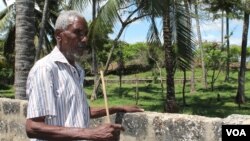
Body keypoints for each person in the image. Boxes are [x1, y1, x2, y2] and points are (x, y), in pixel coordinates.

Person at [25, 10, 144, 141]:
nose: (85, 39)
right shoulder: (45, 69)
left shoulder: (77, 70)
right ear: (59, 35)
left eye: (86, 34)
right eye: (78, 33)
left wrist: (116, 108)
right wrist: (91, 134)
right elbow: (33, 127)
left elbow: (81, 111)